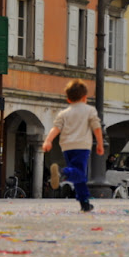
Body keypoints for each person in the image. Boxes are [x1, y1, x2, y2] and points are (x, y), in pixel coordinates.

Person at [42, 79, 104, 212]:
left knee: (78, 177)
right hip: (82, 146)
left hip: (66, 147)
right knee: (79, 173)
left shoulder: (63, 113)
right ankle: (62, 172)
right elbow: (97, 127)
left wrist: (48, 140)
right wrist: (100, 143)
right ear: (85, 97)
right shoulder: (89, 110)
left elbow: (56, 128)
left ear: (68, 99)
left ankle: (85, 203)